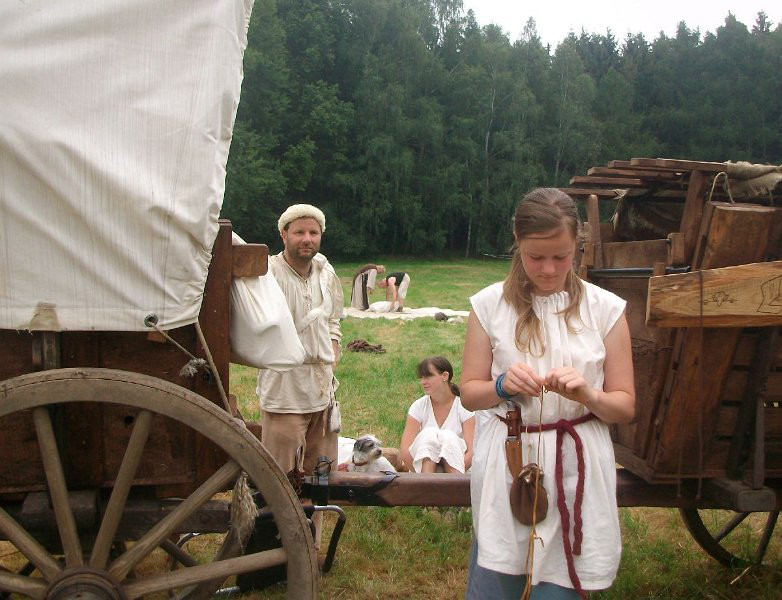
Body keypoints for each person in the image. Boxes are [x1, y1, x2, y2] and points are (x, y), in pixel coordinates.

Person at [460, 188, 635, 599]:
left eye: (561, 256)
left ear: (578, 244)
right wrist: (502, 386)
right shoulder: (489, 306)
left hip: (577, 463)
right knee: (499, 576)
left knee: (560, 587)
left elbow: (624, 406)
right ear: (517, 242)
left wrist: (589, 395)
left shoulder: (605, 309)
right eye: (536, 256)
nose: (549, 268)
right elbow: (469, 394)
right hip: (510, 461)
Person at [257, 203, 343, 506]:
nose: (307, 239)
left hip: (321, 389)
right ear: (284, 235)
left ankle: (313, 533)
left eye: (313, 233)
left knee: (321, 475)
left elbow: (333, 319)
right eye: (299, 232)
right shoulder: (267, 273)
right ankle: (280, 534)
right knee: (282, 478)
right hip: (284, 390)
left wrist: (332, 350)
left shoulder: (326, 272)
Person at [400, 356, 475, 473]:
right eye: (421, 377)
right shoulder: (418, 406)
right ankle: (427, 481)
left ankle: (451, 482)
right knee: (429, 434)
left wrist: (456, 474)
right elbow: (405, 451)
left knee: (448, 437)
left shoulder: (464, 406)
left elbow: (472, 451)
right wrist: (418, 474)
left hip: (459, 471)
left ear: (445, 376)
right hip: (422, 473)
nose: (423, 382)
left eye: (428, 376)